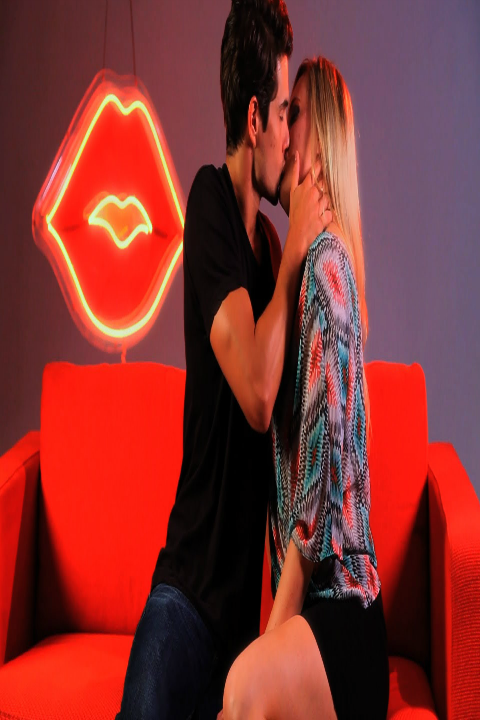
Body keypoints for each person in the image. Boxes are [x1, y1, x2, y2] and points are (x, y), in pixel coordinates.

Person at [116, 2, 332, 718]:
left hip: (242, 629)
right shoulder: (208, 202)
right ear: (254, 118)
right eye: (284, 114)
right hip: (184, 599)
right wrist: (296, 248)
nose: (290, 139)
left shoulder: (269, 248)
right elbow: (259, 394)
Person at [220, 56, 390, 720]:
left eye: (292, 115)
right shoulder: (308, 262)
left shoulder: (325, 267)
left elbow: (315, 497)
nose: (280, 132)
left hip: (341, 621)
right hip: (321, 626)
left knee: (243, 689)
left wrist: (269, 640)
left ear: (317, 144)